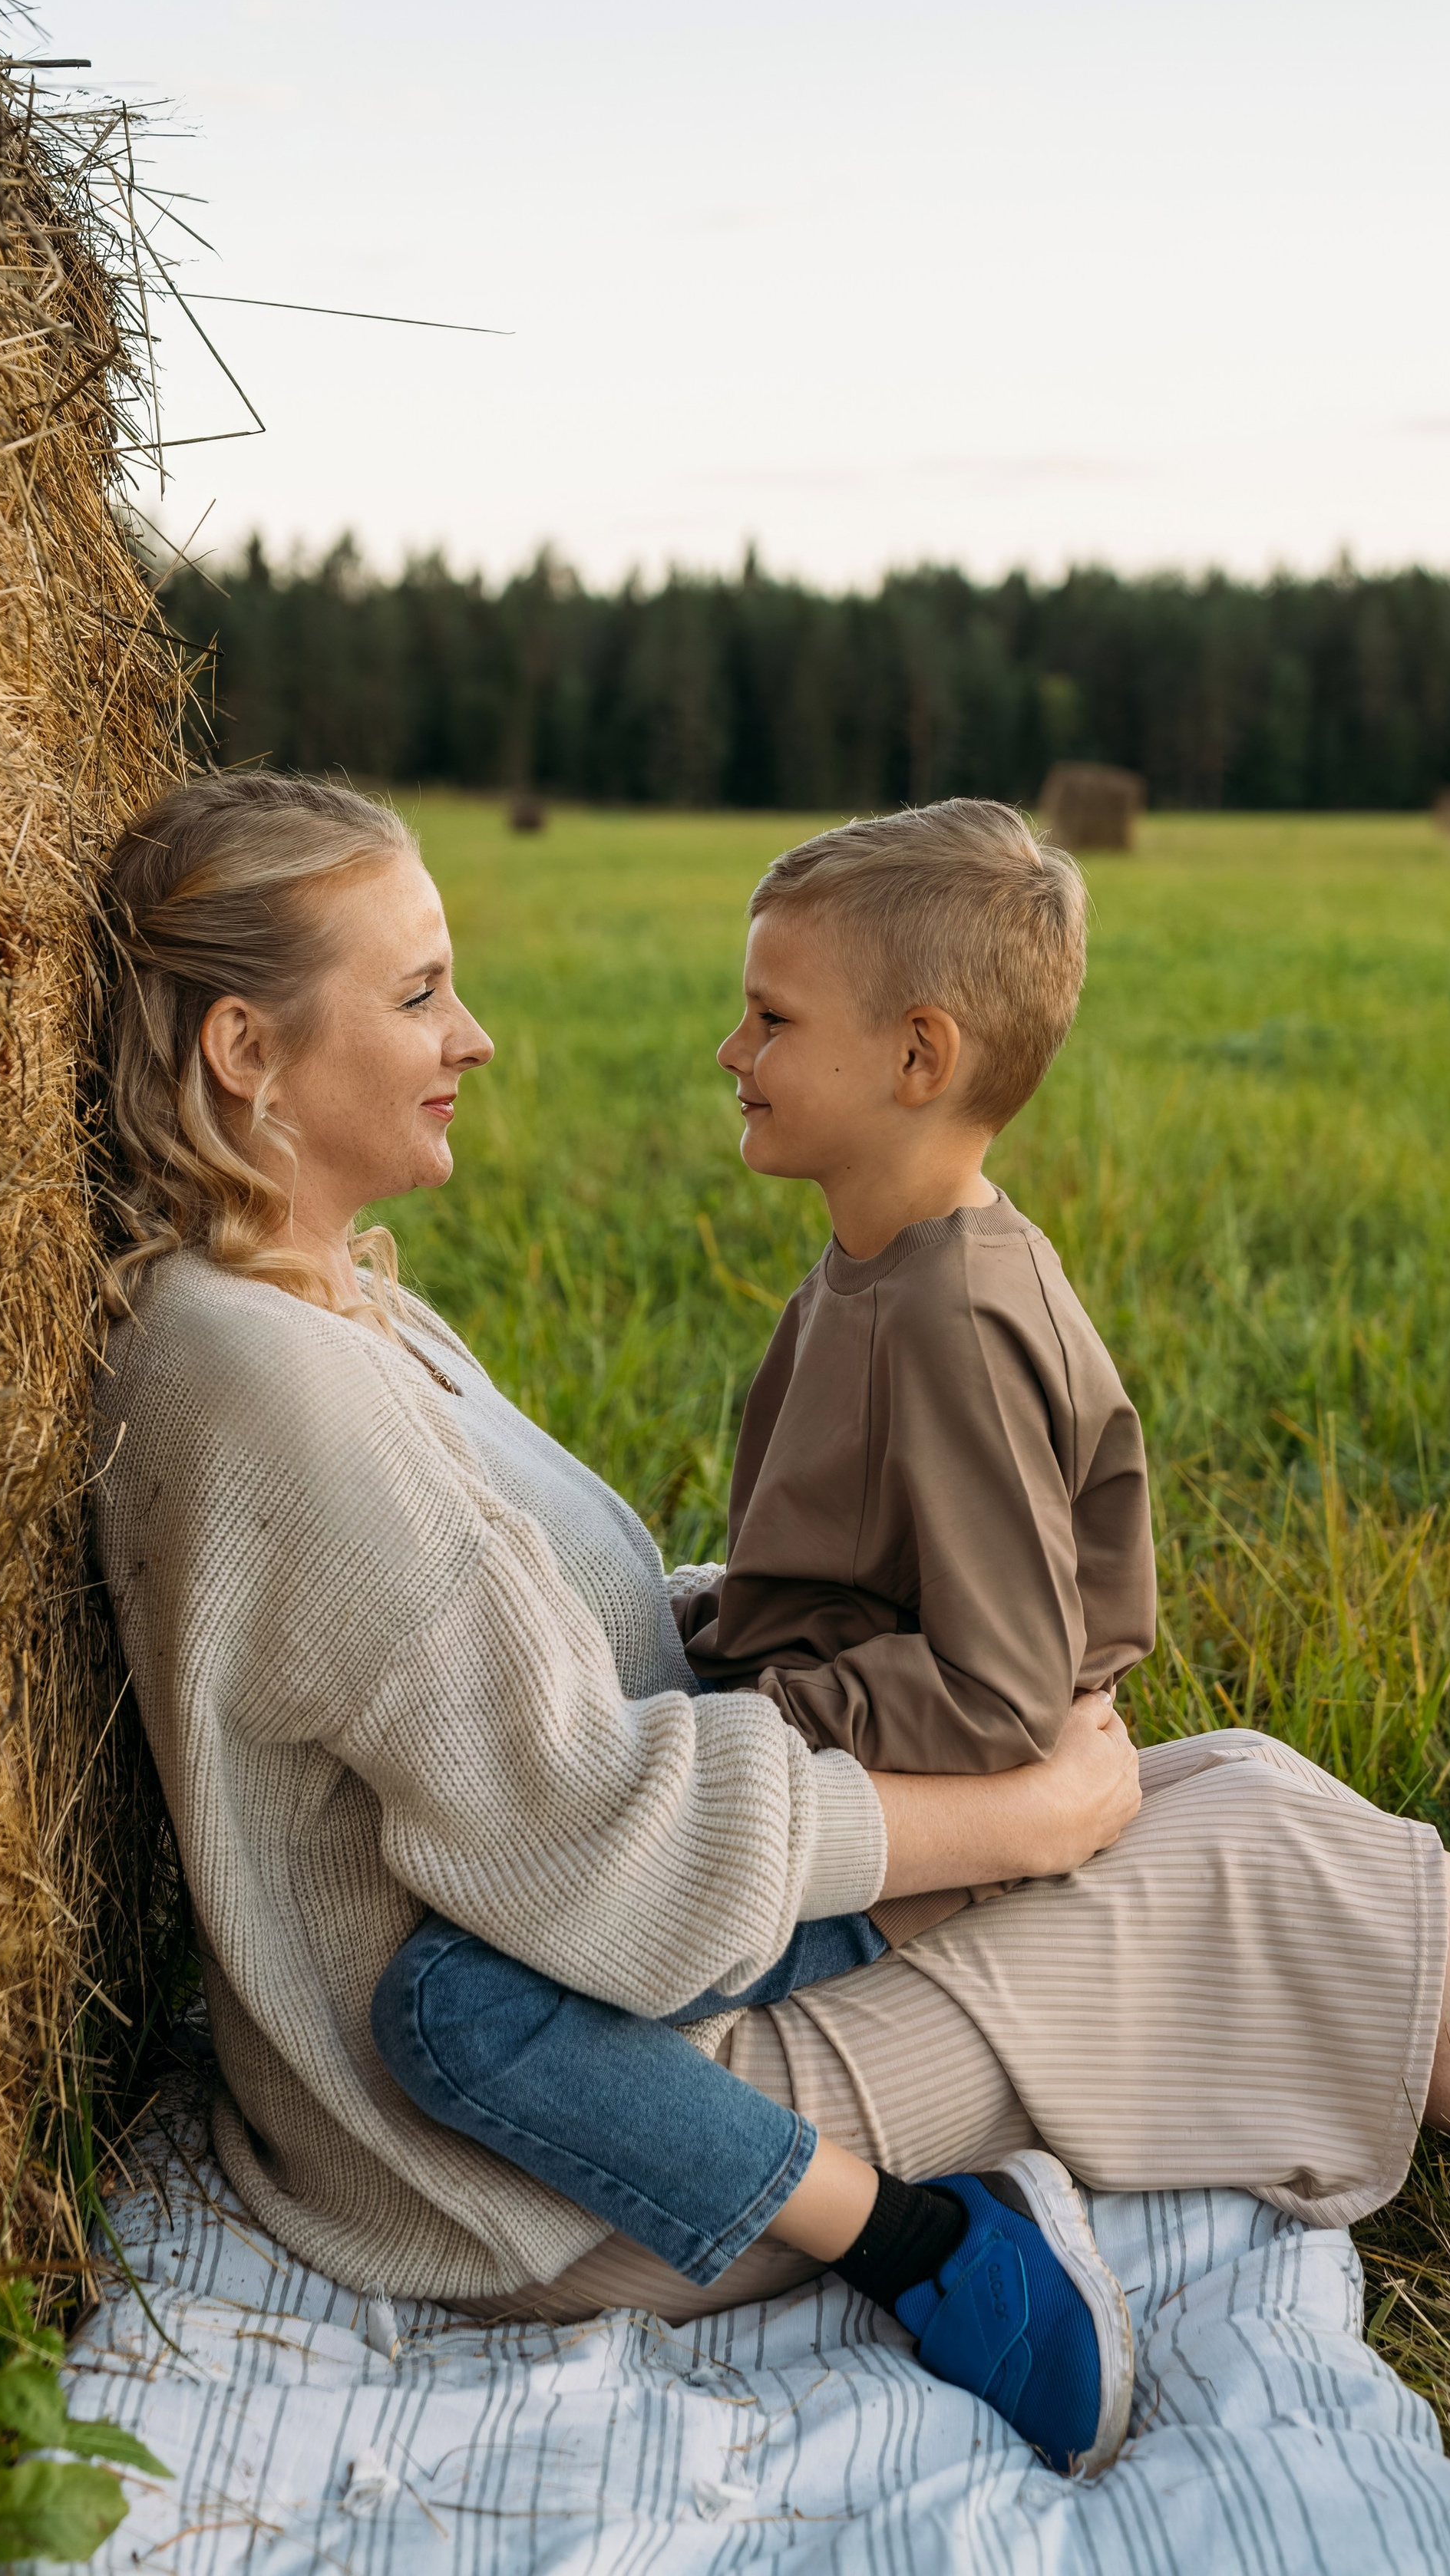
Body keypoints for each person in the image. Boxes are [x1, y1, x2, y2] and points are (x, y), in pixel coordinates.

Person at [90, 769, 1450, 2489]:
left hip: (595, 2004)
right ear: (245, 1052)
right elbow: (577, 1838)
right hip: (517, 2159)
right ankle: (941, 2245)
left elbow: (515, 1675)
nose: (471, 1035)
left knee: (1236, 1786)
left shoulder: (324, 1304)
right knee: (1267, 1866)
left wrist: (747, 1641)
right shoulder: (263, 1381)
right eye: (415, 995)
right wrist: (1012, 1816)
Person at [372, 800, 1157, 2467]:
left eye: (772, 1018)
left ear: (917, 1056)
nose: (729, 1048)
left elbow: (1001, 1690)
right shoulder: (871, 1266)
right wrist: (713, 1625)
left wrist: (753, 1725)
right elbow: (850, 1571)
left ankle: (938, 2246)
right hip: (822, 1757)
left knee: (455, 2011)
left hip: (913, 1834)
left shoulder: (947, 1317)